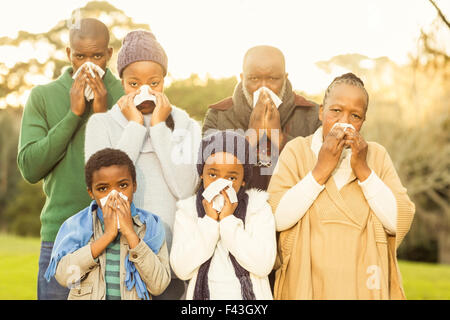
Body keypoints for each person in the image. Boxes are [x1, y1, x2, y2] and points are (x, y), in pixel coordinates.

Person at [267, 73, 415, 300]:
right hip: (305, 287)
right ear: (320, 112)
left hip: (363, 288)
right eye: (335, 111)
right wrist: (320, 170)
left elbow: (397, 222)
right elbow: (277, 217)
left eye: (355, 115)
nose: (344, 122)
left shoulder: (376, 156)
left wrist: (363, 170)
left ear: (363, 121)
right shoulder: (297, 151)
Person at [84, 30, 201, 299]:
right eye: (133, 84)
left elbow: (184, 189)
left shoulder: (185, 125)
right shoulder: (102, 124)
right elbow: (104, 189)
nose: (144, 91)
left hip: (172, 261)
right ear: (122, 82)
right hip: (119, 261)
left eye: (154, 83)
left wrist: (159, 128)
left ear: (164, 81)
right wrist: (136, 127)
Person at [17, 18, 124, 300]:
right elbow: (30, 167)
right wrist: (74, 115)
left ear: (110, 54)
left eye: (97, 56)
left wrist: (101, 116)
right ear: (68, 54)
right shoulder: (43, 96)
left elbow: (134, 166)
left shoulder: (126, 95)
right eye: (80, 56)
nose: (88, 64)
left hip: (119, 237)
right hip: (61, 239)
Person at [44, 148, 171, 300]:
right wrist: (107, 236)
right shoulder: (77, 226)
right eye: (103, 188)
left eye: (123, 185)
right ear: (91, 193)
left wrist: (131, 235)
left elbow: (159, 285)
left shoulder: (150, 227)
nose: (114, 195)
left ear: (134, 186)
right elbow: (65, 277)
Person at [170, 131, 276, 300]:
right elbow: (182, 269)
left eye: (231, 177)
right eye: (213, 175)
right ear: (201, 174)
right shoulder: (188, 211)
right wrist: (210, 222)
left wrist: (227, 221)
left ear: (243, 181)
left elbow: (263, 265)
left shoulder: (258, 209)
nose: (220, 184)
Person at [202, 45, 321, 190]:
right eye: (254, 78)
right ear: (242, 78)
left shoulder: (312, 114)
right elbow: (209, 176)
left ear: (285, 78)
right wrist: (251, 137)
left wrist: (279, 138)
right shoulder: (219, 115)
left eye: (273, 78)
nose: (263, 87)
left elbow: (320, 172)